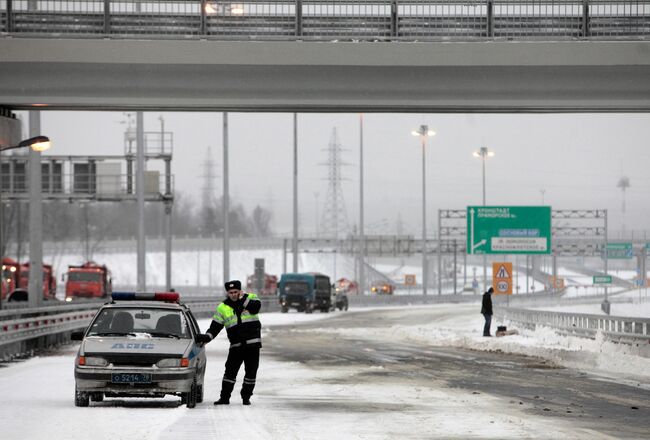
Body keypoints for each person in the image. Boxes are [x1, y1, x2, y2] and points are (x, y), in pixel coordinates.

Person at [205, 280, 262, 406]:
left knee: (251, 373)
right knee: (229, 373)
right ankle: (224, 398)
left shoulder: (251, 298)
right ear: (227, 293)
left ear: (240, 291)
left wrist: (243, 299)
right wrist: (207, 337)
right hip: (236, 346)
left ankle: (246, 397)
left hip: (252, 345)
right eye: (231, 292)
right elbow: (215, 327)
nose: (233, 294)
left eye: (236, 292)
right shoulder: (222, 307)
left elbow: (256, 308)